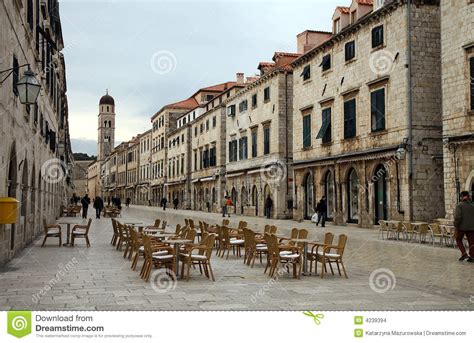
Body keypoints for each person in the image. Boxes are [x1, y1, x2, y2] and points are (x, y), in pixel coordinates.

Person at [454, 191, 474, 262]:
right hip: (472, 227)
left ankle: (464, 253)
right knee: (471, 242)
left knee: (458, 239)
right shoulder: (472, 205)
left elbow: (458, 217)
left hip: (461, 227)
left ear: (461, 197)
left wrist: (456, 225)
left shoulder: (460, 205)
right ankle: (472, 256)